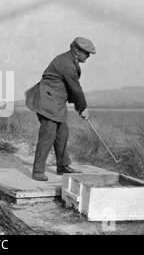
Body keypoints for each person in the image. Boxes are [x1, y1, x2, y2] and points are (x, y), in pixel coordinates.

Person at [30, 37, 96, 181]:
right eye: (86, 53)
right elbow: (76, 89)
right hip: (47, 102)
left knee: (62, 132)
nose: (88, 56)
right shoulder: (68, 64)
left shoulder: (69, 60)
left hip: (54, 102)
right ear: (76, 50)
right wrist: (83, 108)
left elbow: (70, 89)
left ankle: (62, 166)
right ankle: (38, 172)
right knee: (48, 134)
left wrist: (79, 108)